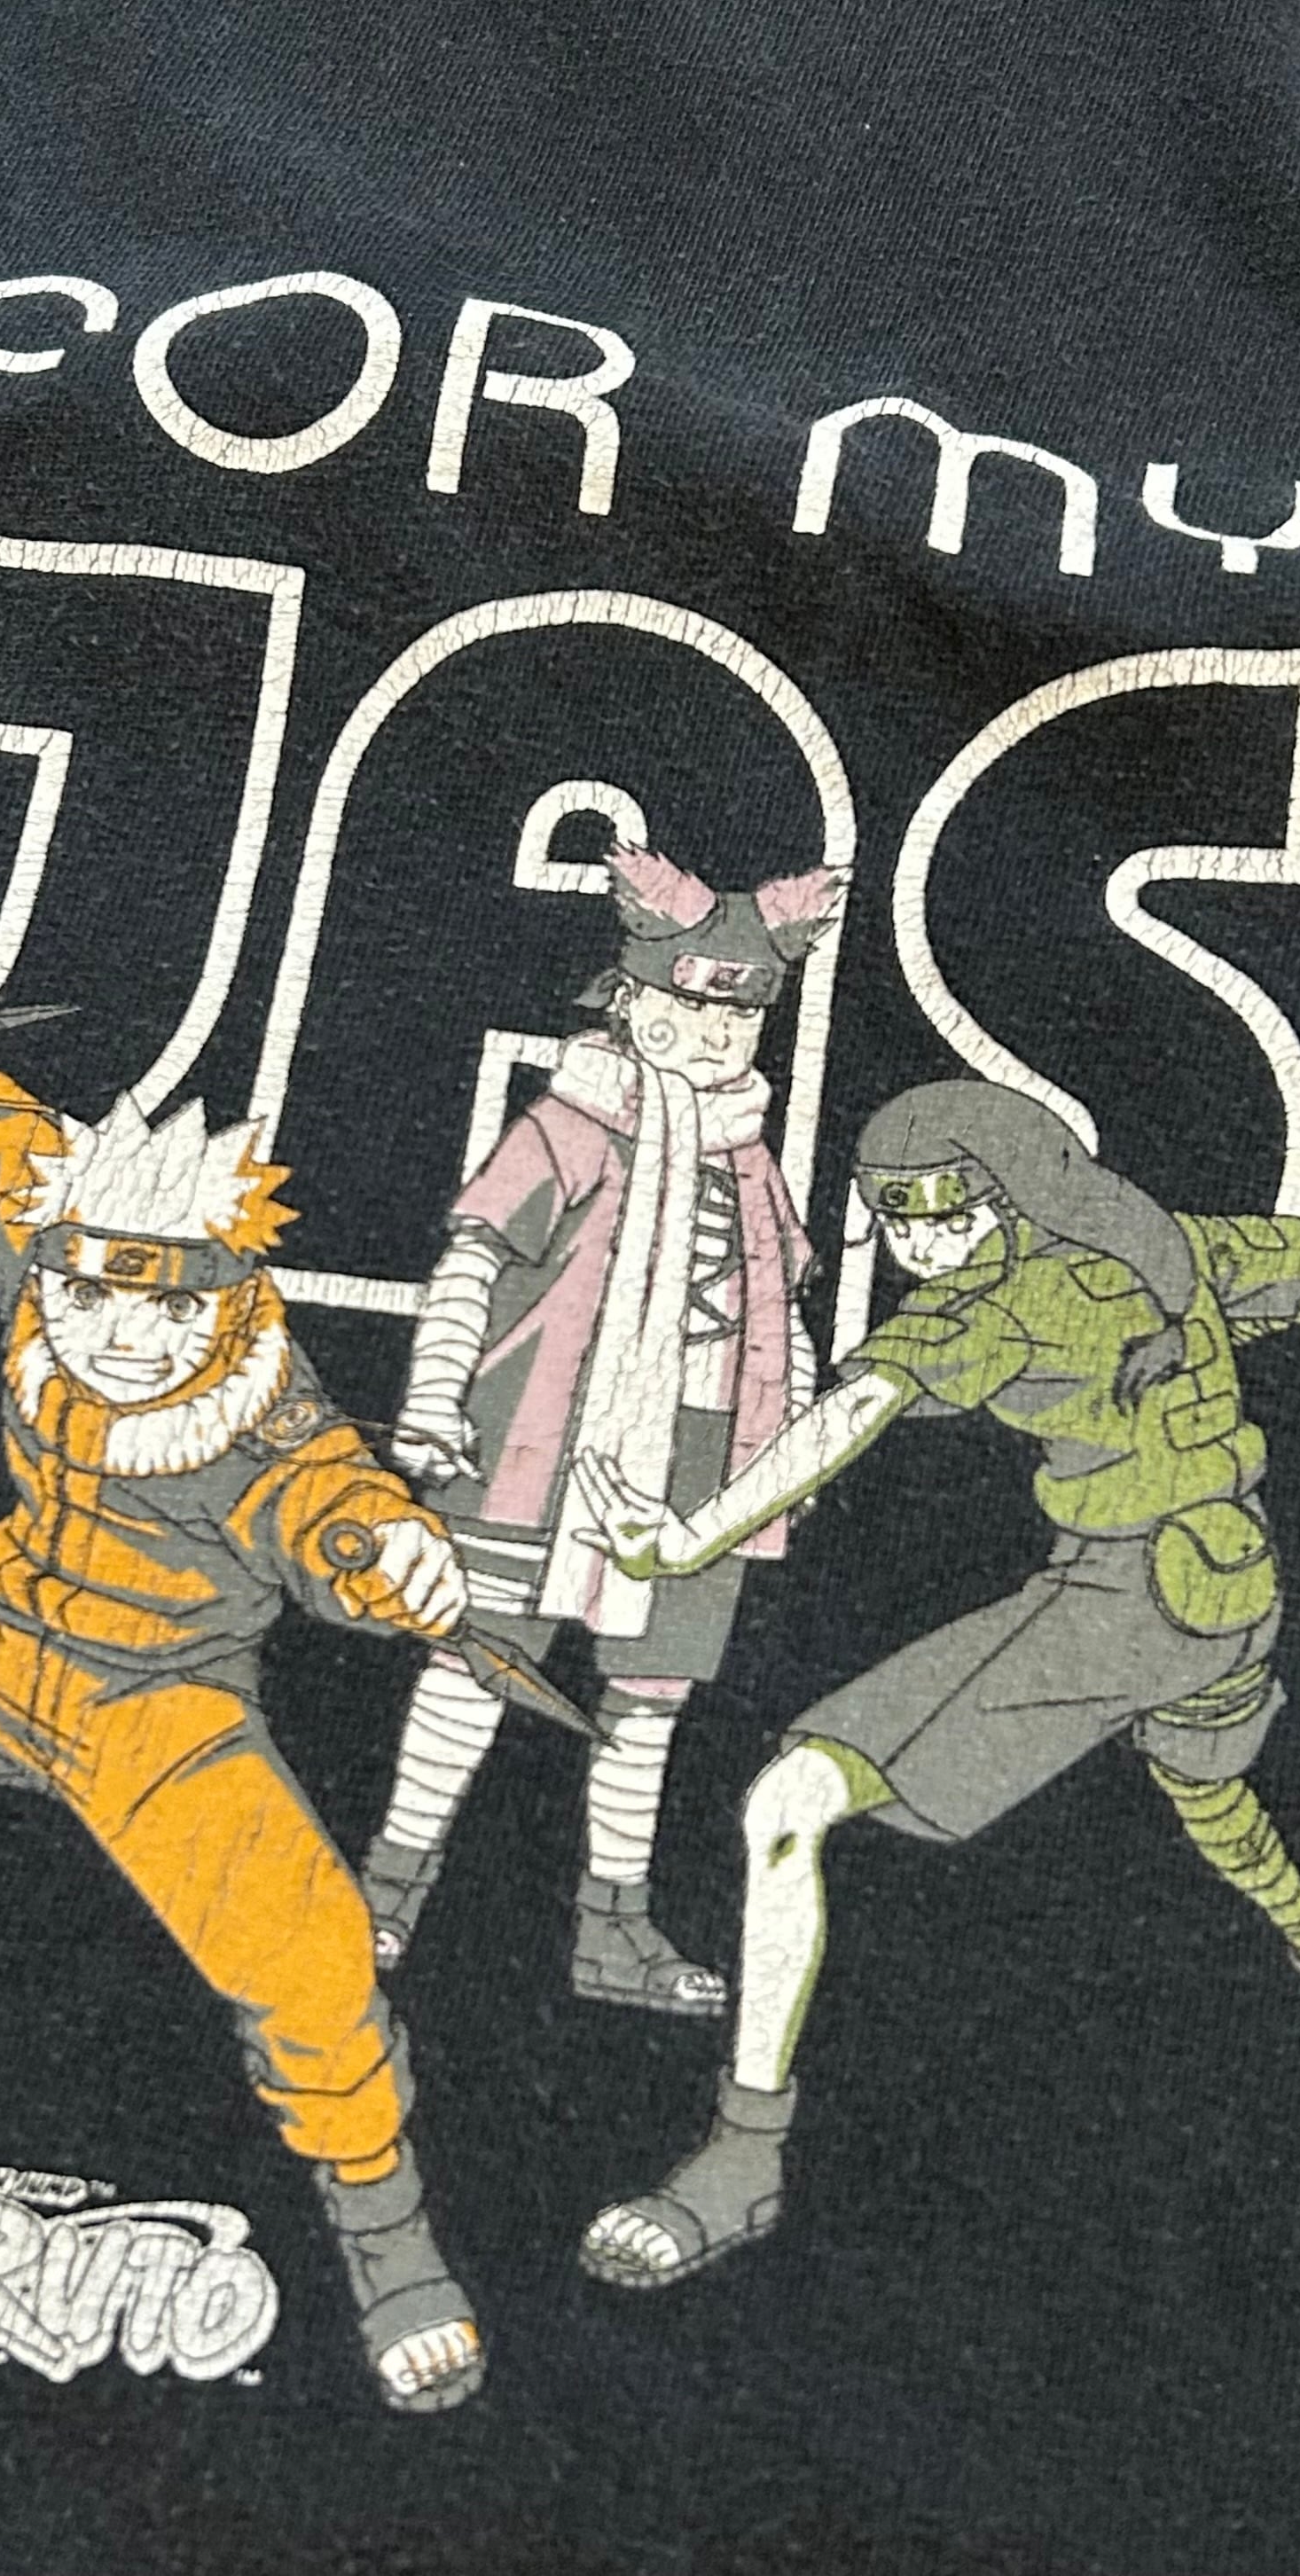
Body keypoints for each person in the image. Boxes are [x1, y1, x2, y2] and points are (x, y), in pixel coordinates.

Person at [569, 1077, 1300, 2290]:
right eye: (896, 1223)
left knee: (791, 1803)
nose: (920, 1250)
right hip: (1235, 1589)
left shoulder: (1001, 1308)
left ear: (1012, 1197)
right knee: (1217, 1808)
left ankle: (744, 2155)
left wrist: (688, 1539)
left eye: (942, 1217)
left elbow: (849, 1415)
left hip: (1129, 1599)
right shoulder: (1171, 1246)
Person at [0, 1003, 488, 2415]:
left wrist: (396, 1558)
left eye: (170, 1308)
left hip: (161, 1717)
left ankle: (386, 2238)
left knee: (313, 1965)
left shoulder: (266, 1417)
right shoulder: (40, 1254)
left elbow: (336, 1512)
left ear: (229, 1300)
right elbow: (10, 1156)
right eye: (89, 1299)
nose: (121, 1339)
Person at [361, 843, 843, 2016]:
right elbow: (475, 1257)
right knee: (475, 1665)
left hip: (704, 1468)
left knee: (651, 1699)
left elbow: (781, 1310)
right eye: (693, 1009)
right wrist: (432, 1396)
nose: (715, 1037)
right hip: (532, 1450)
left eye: (739, 1021)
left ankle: (612, 1930)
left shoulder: (750, 1156)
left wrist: (792, 1450)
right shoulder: (572, 1126)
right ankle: (383, 1894)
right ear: (629, 1000)